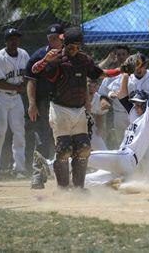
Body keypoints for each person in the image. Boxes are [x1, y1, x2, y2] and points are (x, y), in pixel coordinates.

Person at [32, 27, 105, 189]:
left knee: (84, 148)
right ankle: (61, 186)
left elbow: (100, 73)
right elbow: (34, 70)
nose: (74, 50)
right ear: (65, 44)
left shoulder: (83, 60)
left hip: (78, 110)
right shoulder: (56, 58)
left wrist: (121, 70)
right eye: (71, 47)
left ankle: (78, 188)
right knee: (64, 149)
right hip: (59, 108)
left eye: (78, 47)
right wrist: (46, 60)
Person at [84, 63, 149, 186]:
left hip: (125, 157)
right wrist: (125, 76)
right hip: (124, 163)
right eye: (135, 104)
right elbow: (122, 97)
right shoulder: (135, 115)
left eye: (140, 104)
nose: (136, 106)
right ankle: (122, 182)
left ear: (146, 104)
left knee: (83, 156)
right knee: (87, 180)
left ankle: (49, 164)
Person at [0, 28, 30, 179]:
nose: (14, 41)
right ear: (5, 41)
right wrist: (20, 88)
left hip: (15, 97)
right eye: (10, 39)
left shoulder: (23, 54)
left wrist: (24, 85)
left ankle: (19, 168)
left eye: (16, 38)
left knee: (19, 131)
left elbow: (27, 73)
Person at [26, 24, 64, 186]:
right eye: (51, 38)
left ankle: (64, 176)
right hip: (44, 102)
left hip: (65, 102)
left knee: (64, 139)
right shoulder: (39, 56)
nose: (54, 41)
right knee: (42, 137)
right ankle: (38, 174)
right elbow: (31, 82)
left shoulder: (70, 54)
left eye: (57, 37)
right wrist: (32, 104)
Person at [98, 46, 131, 145]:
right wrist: (106, 99)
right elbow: (102, 93)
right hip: (119, 113)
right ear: (116, 57)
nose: (121, 57)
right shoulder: (112, 74)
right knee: (121, 142)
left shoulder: (135, 71)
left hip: (135, 111)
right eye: (119, 55)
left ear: (129, 56)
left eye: (124, 54)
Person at [87, 78, 108, 151]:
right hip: (75, 127)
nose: (91, 88)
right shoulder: (78, 96)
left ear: (97, 87)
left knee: (103, 150)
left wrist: (100, 128)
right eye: (89, 86)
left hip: (91, 128)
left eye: (94, 86)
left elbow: (100, 115)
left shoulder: (99, 99)